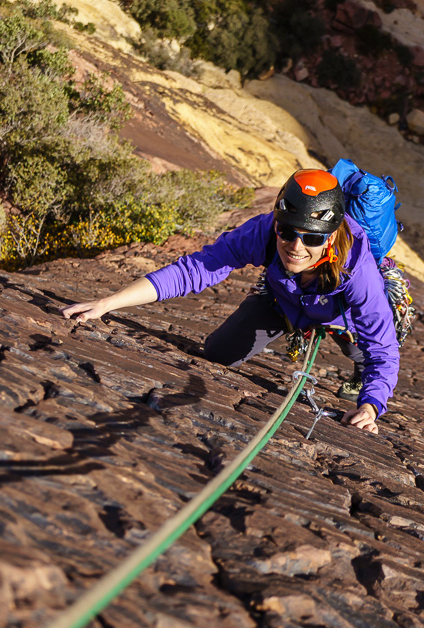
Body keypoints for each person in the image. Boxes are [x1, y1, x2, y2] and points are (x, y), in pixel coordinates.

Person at [61, 169, 400, 435]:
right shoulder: (263, 231)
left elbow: (382, 348)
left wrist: (370, 406)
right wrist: (109, 303)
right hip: (282, 301)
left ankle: (358, 372)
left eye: (311, 237)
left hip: (342, 316)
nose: (296, 246)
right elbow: (194, 270)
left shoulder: (357, 270)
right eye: (287, 232)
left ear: (330, 238)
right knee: (219, 353)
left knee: (363, 351)